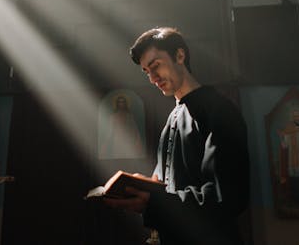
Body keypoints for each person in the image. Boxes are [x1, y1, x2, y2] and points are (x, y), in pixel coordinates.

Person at [105, 27, 250, 245]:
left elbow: (227, 198)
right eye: (146, 71)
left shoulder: (218, 111)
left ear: (179, 56)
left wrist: (154, 202)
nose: (153, 78)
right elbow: (168, 185)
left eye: (156, 66)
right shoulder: (173, 117)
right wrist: (143, 185)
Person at [99, 94, 145, 159]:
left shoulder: (129, 116)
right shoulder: (114, 116)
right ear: (117, 103)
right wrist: (104, 145)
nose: (121, 104)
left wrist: (138, 141)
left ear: (125, 103)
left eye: (123, 102)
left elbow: (134, 129)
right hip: (118, 139)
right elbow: (110, 132)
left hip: (129, 138)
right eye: (120, 102)